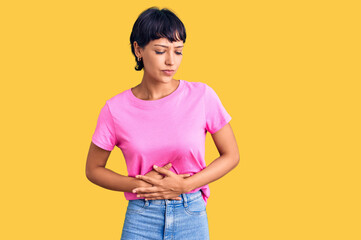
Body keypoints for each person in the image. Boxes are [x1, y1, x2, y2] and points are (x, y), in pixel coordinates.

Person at [85, 6, 240, 240]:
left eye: (178, 51)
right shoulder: (114, 109)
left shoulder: (202, 96)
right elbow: (93, 169)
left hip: (191, 213)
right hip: (141, 216)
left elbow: (232, 155)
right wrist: (138, 184)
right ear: (138, 49)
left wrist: (187, 185)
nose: (171, 61)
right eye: (160, 51)